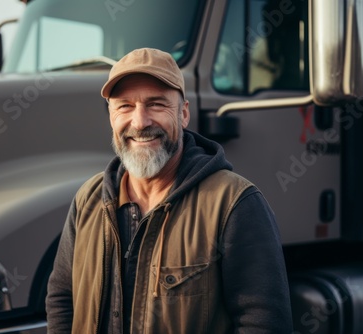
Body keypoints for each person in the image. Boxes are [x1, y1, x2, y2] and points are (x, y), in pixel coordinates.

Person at [46, 48, 293, 333]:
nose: (140, 122)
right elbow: (62, 298)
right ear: (111, 117)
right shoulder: (87, 200)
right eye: (124, 106)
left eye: (156, 104)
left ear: (184, 113)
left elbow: (262, 322)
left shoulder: (234, 203)